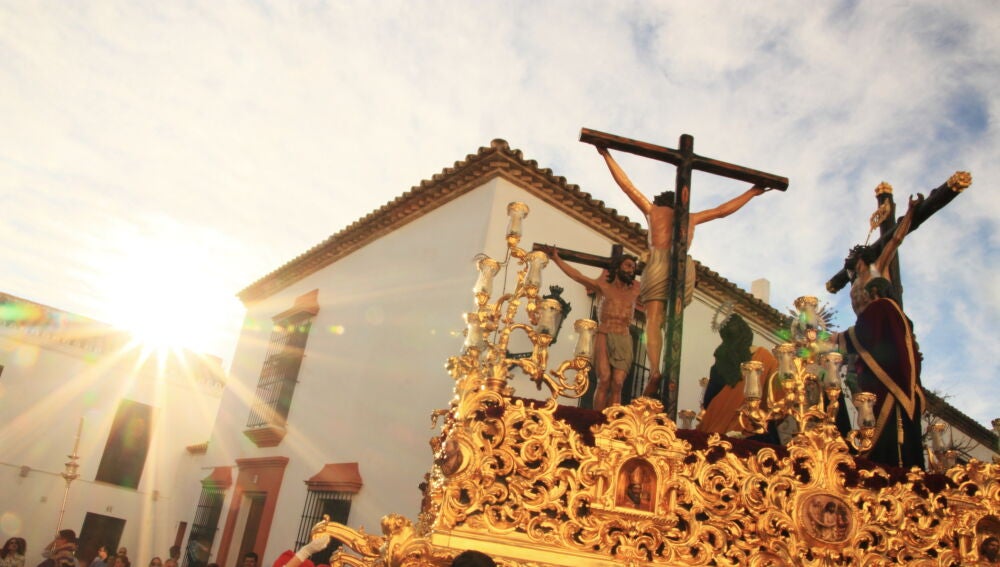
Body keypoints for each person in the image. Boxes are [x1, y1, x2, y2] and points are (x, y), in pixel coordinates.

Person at [596, 145, 769, 397]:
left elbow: (627, 186)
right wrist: (752, 192)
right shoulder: (692, 218)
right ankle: (669, 368)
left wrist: (606, 155)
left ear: (660, 201)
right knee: (672, 322)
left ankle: (654, 369)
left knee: (653, 321)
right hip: (683, 267)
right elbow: (723, 211)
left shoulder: (652, 211)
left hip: (658, 262)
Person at [836, 277, 925, 469]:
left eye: (866, 294)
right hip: (906, 391)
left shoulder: (881, 307)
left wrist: (838, 338)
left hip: (888, 389)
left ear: (875, 290)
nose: (864, 300)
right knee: (907, 445)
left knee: (884, 447)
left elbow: (866, 334)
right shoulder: (900, 315)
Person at [550, 249, 641, 410]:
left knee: (618, 383)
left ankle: (611, 422)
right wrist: (556, 259)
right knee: (604, 379)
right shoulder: (603, 286)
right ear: (617, 267)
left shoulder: (636, 290)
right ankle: (596, 420)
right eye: (627, 265)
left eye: (633, 268)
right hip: (604, 333)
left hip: (624, 337)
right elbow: (577, 276)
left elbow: (659, 289)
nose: (631, 270)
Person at [696, 314, 778, 441]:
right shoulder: (765, 358)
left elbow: (708, 402)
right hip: (754, 430)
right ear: (747, 333)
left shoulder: (721, 362)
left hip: (715, 433)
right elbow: (775, 397)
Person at [845, 193, 922, 316]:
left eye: (853, 256)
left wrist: (910, 211)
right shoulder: (854, 284)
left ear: (860, 257)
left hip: (883, 321)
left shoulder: (876, 269)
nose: (850, 259)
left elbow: (896, 239)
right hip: (865, 328)